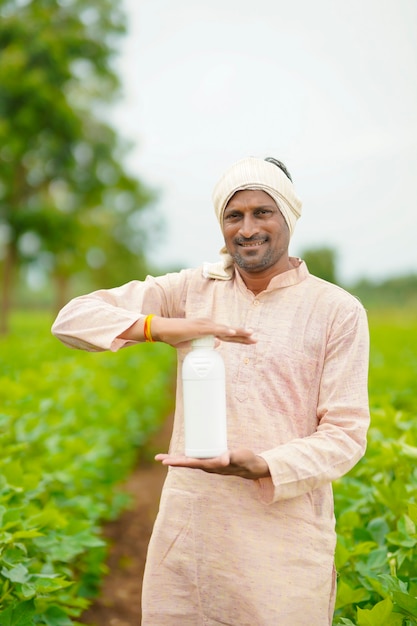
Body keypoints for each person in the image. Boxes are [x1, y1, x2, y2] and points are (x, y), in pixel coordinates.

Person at [52, 156, 370, 625]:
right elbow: (72, 320)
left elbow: (345, 436)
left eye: (263, 212)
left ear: (289, 217)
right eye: (233, 215)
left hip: (284, 537)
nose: (247, 228)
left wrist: (263, 464)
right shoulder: (192, 289)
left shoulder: (336, 310)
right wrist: (161, 326)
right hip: (194, 526)